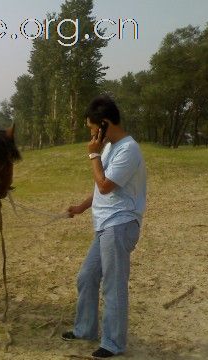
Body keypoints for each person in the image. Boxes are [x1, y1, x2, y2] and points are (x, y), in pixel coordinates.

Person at [62, 95, 147, 358]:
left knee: (114, 284)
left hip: (120, 225)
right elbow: (101, 189)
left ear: (104, 124)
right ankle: (85, 329)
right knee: (87, 277)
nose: (91, 135)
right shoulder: (110, 147)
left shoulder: (128, 149)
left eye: (91, 129)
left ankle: (113, 343)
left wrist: (93, 154)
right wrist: (81, 207)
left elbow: (105, 184)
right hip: (106, 225)